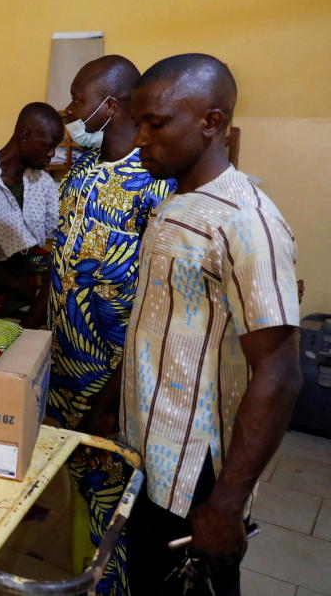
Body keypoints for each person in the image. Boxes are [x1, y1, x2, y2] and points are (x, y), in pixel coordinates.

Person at [122, 54, 300, 595]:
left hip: (196, 474)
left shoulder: (247, 221)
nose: (140, 140)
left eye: (157, 124)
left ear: (212, 122)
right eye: (138, 124)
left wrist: (226, 503)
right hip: (150, 453)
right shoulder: (176, 202)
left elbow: (279, 371)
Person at [41, 55, 176, 595]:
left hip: (112, 374)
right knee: (83, 484)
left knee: (113, 499)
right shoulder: (80, 174)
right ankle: (91, 579)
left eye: (78, 100)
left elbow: (157, 301)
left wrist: (115, 393)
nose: (70, 111)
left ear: (111, 105)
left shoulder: (155, 182)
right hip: (63, 365)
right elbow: (61, 263)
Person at [0, 102, 62, 323]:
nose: (52, 154)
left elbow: (56, 233)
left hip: (31, 288)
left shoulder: (42, 181)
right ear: (25, 136)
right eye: (47, 145)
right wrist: (27, 290)